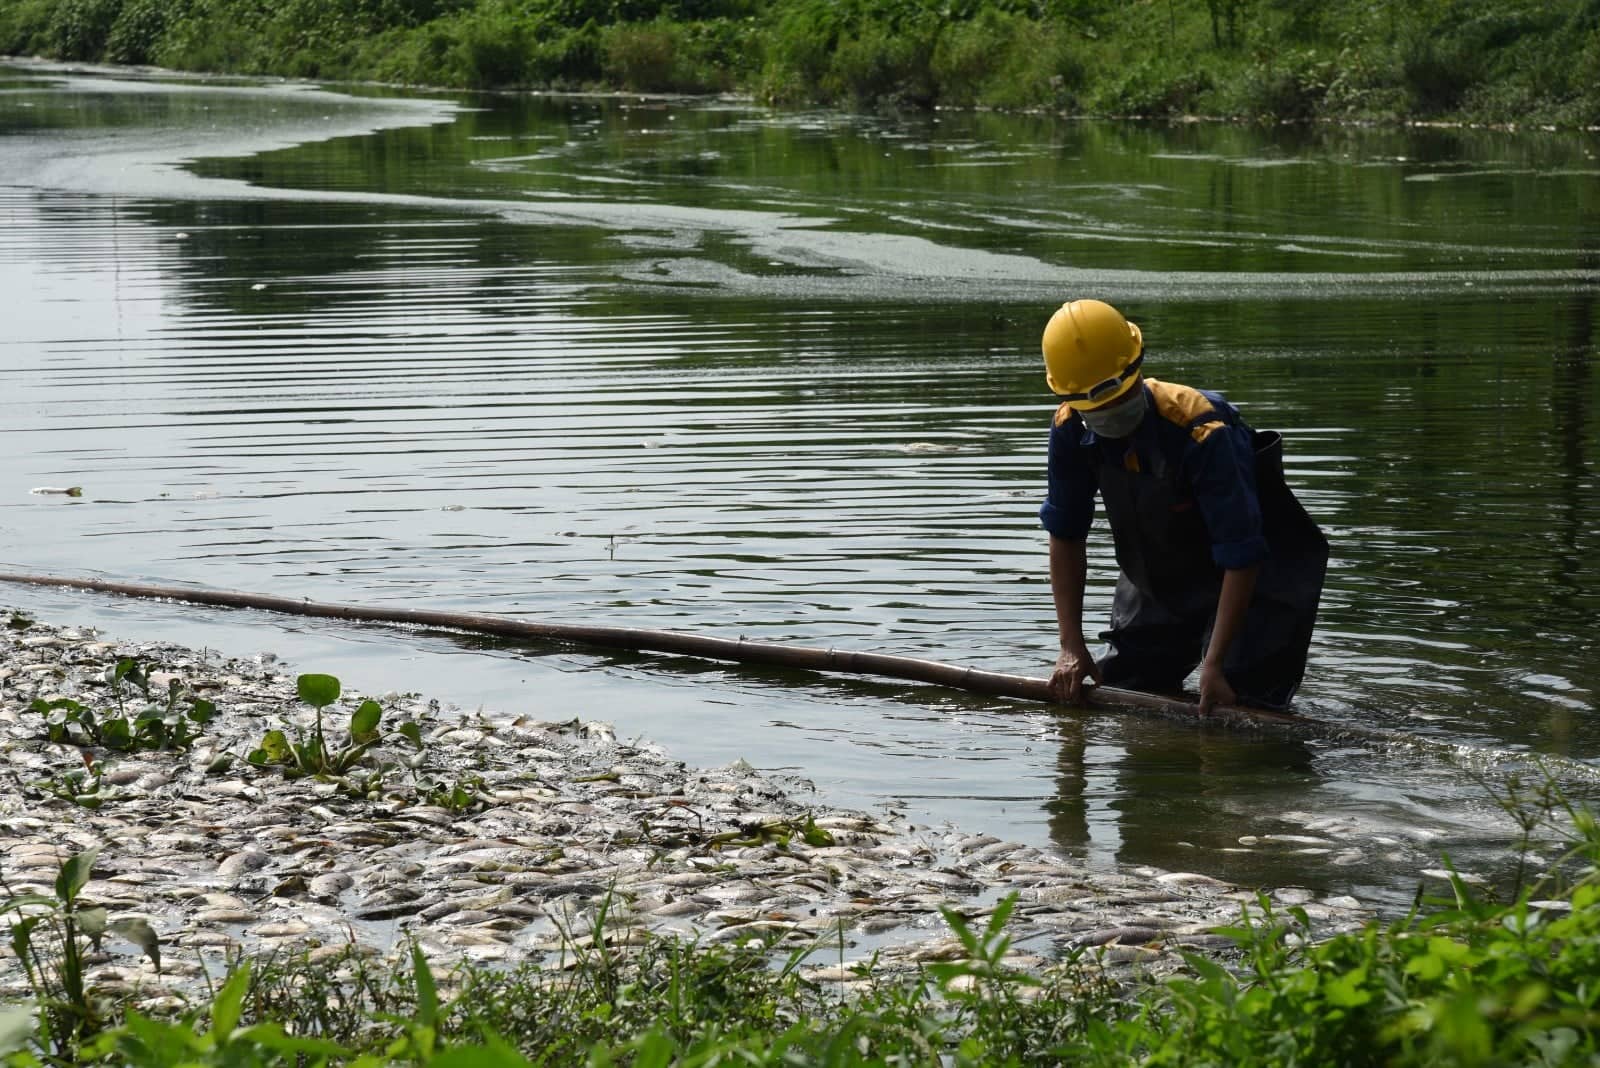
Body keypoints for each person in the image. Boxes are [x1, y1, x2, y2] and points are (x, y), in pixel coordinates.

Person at [1038, 299, 1327, 714]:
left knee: (1239, 707)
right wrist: (1071, 645)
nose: (1106, 413)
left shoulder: (1202, 429)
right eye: (1091, 405)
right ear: (1068, 396)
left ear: (1137, 367)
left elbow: (1242, 552)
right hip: (1161, 574)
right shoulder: (1069, 429)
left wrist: (1215, 664)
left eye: (1115, 397)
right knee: (1126, 693)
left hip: (1259, 575)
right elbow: (1065, 534)